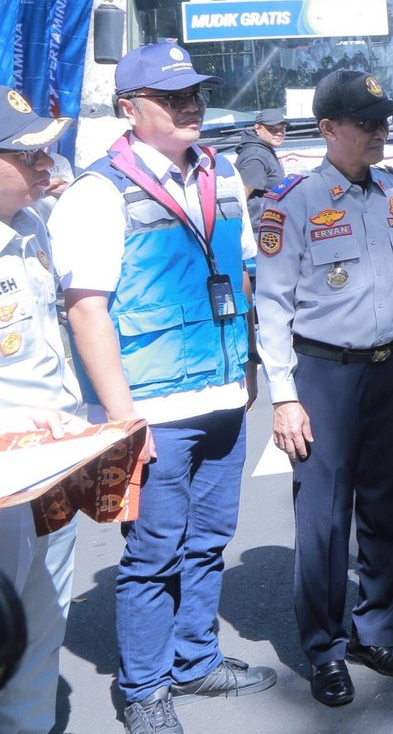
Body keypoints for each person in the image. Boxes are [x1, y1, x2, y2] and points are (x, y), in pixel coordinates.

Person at [51, 42, 275, 734]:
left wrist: (246, 372)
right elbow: (87, 309)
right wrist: (124, 420)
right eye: (172, 97)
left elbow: (239, 275)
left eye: (196, 94)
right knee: (153, 554)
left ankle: (195, 658)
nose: (191, 107)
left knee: (209, 540)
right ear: (129, 108)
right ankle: (145, 687)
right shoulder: (98, 191)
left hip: (220, 397)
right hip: (151, 408)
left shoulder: (220, 170)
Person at [254, 70, 393, 708]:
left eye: (384, 121)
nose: (380, 133)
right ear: (329, 129)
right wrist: (284, 395)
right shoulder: (293, 203)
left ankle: (377, 633)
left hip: (391, 367)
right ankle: (326, 650)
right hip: (323, 375)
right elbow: (274, 305)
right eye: (367, 123)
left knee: (391, 508)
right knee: (324, 519)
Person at [0, 88, 84, 734]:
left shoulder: (33, 227)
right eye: (26, 150)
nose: (43, 161)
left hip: (52, 468)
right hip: (3, 477)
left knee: (42, 620)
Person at [230, 109, 287, 225]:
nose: (279, 133)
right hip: (258, 230)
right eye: (272, 129)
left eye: (282, 128)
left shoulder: (263, 150)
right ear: (257, 128)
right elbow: (240, 198)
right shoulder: (256, 157)